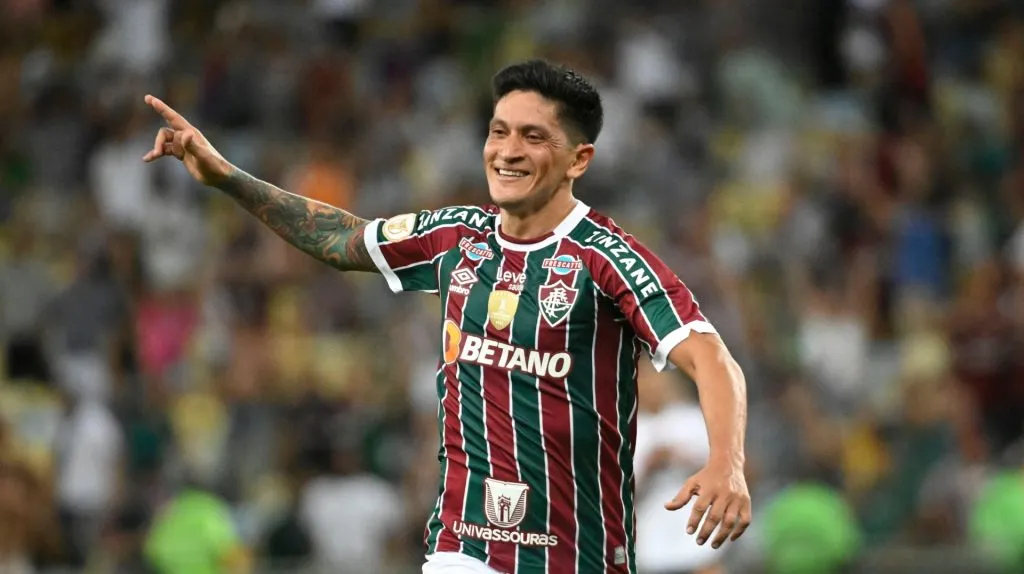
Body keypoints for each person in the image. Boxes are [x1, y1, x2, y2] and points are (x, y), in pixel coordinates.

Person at [142, 59, 751, 574]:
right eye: (498, 131)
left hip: (576, 554)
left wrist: (726, 461)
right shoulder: (457, 237)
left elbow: (710, 356)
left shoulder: (608, 259)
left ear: (578, 159)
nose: (507, 151)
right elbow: (340, 240)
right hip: (465, 548)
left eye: (533, 137)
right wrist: (226, 177)